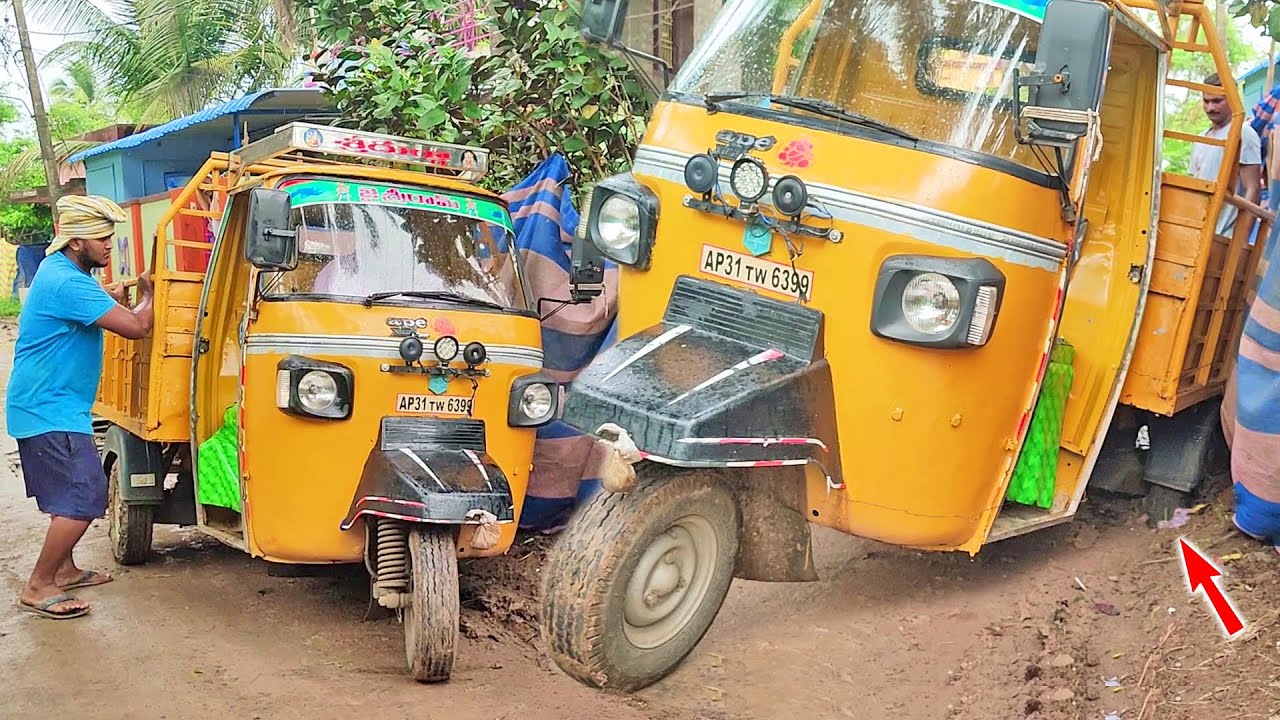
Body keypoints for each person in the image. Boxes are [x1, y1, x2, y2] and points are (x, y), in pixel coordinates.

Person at [6, 195, 155, 620]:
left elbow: (90, 299)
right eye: (101, 239)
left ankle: (65, 570)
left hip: (46, 405)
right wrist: (149, 293)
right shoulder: (67, 283)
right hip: (49, 409)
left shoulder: (61, 271)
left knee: (64, 496)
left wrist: (112, 293)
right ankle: (39, 585)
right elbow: (136, 326)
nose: (109, 245)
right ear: (75, 242)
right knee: (85, 497)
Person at [1188, 73, 1264, 240]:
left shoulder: (1242, 133)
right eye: (1206, 101)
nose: (1210, 108)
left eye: (1217, 101)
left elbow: (1253, 189)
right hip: (1197, 231)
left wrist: (1239, 241)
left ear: (1232, 99)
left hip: (1224, 235)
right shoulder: (1201, 138)